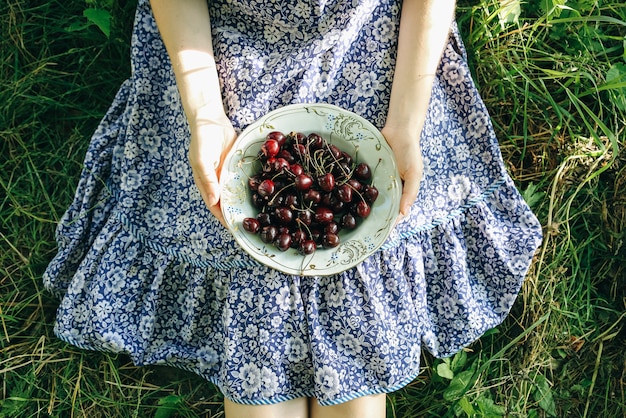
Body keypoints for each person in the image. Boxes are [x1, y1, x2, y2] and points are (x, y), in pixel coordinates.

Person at [44, 0, 543, 417]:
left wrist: (406, 123)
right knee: (239, 224)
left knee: (362, 241)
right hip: (220, 45)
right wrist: (206, 117)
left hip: (366, 42)